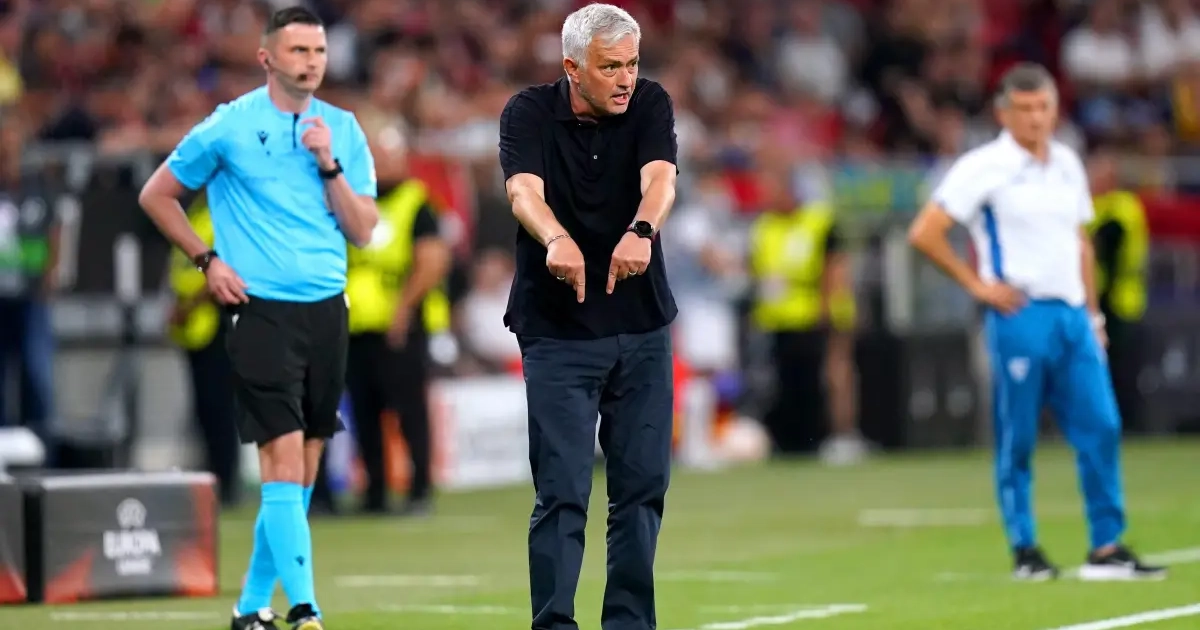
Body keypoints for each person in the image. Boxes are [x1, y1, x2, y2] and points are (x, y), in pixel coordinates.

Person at [137, 7, 378, 630]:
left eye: (318, 51)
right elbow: (157, 195)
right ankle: (305, 611)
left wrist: (328, 165)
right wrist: (206, 260)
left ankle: (249, 607)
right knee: (283, 457)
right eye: (298, 50)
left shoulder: (342, 129)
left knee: (306, 465)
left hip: (328, 307)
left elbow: (363, 230)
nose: (311, 62)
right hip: (260, 308)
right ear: (267, 58)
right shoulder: (229, 126)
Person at [907, 63, 1165, 581]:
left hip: (1071, 313)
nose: (1034, 118)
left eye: (1043, 107)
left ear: (1054, 109)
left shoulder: (1066, 163)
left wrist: (1093, 314)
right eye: (1024, 109)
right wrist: (978, 285)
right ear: (1003, 113)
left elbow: (1080, 242)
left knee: (1102, 425)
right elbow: (926, 231)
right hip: (1020, 312)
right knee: (1019, 434)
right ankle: (1024, 547)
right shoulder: (984, 166)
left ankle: (1106, 546)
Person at [498, 4, 679, 629]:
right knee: (562, 494)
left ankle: (629, 624)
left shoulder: (651, 103)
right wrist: (556, 239)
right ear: (572, 68)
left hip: (642, 328)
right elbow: (522, 191)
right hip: (558, 333)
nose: (626, 79)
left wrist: (641, 230)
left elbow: (661, 180)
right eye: (610, 67)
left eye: (632, 63)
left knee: (641, 491)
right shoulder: (527, 112)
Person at [344, 139, 451, 517]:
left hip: (400, 325)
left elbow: (431, 261)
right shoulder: (353, 203)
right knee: (364, 413)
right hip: (357, 324)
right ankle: (374, 491)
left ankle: (419, 488)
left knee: (409, 411)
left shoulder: (416, 203)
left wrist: (403, 310)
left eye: (386, 157)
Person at [747, 165, 862, 465]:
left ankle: (841, 436)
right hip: (780, 319)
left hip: (819, 314)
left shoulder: (818, 220)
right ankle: (794, 442)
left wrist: (825, 309)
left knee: (832, 376)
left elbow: (833, 266)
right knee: (789, 383)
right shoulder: (765, 226)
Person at [167, 191, 240, 506]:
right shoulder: (195, 213)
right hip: (194, 330)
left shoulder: (224, 215)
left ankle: (225, 482)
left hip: (215, 323)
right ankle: (214, 479)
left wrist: (189, 307)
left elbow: (224, 269)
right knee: (205, 411)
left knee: (220, 409)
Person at [0, 112, 59, 459]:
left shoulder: (38, 187)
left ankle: (43, 452)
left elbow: (54, 232)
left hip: (30, 296)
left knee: (37, 375)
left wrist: (49, 277)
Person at [1085, 148, 1149, 434]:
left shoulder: (1123, 206)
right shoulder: (1092, 206)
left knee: (1121, 367)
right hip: (1096, 299)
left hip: (1120, 300)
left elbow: (1107, 245)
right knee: (1100, 366)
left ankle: (1128, 426)